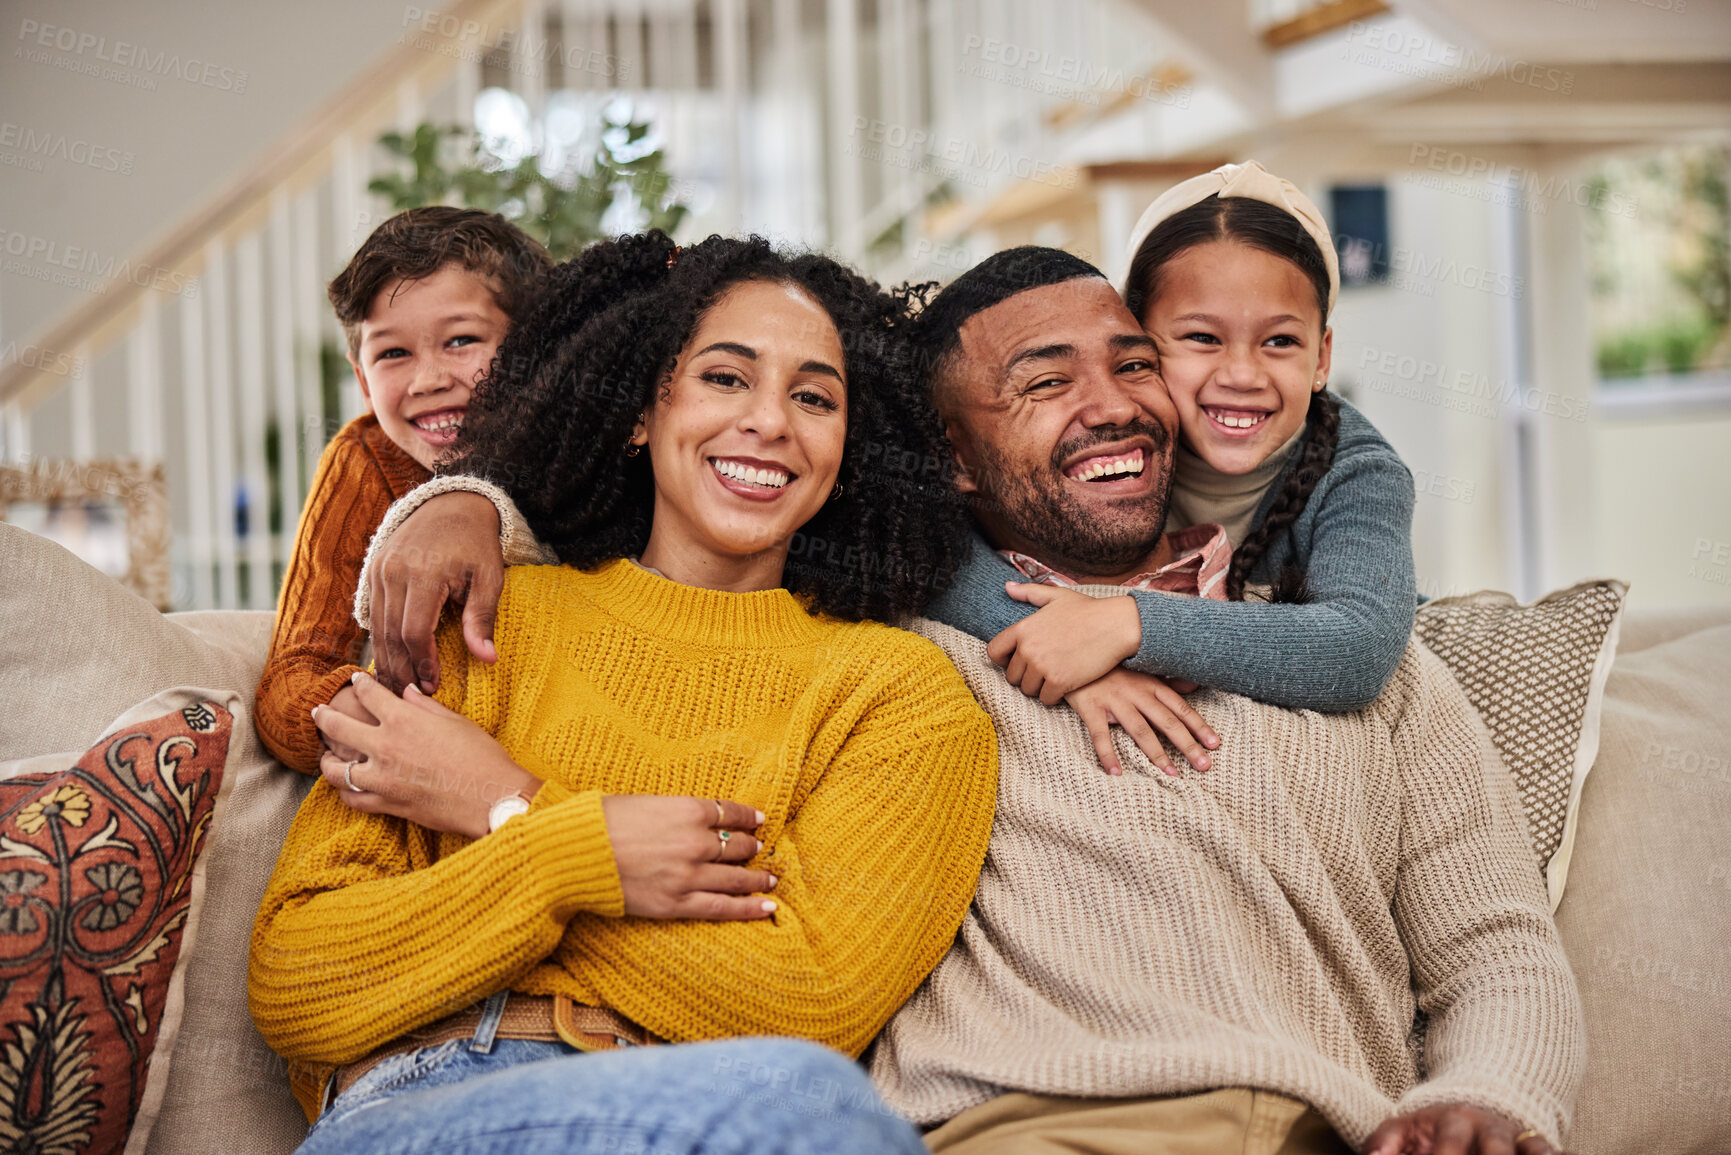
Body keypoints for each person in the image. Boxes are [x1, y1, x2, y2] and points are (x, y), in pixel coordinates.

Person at [357, 246, 1584, 1155]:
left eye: (1136, 364)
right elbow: (691, 453)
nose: (1113, 404)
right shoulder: (904, 660)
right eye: (1046, 384)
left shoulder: (1362, 665)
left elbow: (1496, 949)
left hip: (1320, 1126)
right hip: (985, 1132)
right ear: (947, 457)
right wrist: (461, 501)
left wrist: (1484, 1099)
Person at [248, 232, 999, 1154]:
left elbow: (809, 1002)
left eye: (813, 396)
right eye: (726, 378)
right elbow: (299, 977)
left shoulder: (899, 696)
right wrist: (583, 858)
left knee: (811, 1099)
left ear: (851, 444)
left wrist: (507, 806)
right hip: (425, 1099)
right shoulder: (488, 620)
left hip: (721, 1113)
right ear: (641, 411)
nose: (770, 421)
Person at [925, 162, 1417, 771]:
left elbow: (1357, 649)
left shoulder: (1358, 471)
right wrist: (1058, 654)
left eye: (1281, 342)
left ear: (1323, 358)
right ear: (1139, 333)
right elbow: (930, 547)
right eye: (1202, 339)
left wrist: (1127, 628)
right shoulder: (1129, 429)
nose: (1242, 376)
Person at [253, 205, 552, 774]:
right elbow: (292, 676)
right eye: (393, 353)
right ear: (363, 380)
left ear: (538, 351)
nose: (428, 380)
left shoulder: (596, 451)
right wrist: (400, 737)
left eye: (461, 340)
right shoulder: (367, 461)